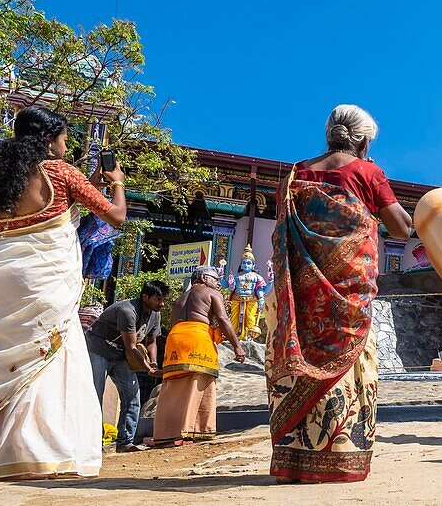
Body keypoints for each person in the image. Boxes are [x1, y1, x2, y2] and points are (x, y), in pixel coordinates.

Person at [0, 106, 128, 479]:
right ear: (50, 139)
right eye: (65, 137)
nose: (68, 143)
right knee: (45, 361)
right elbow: (115, 216)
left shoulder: (1, 178)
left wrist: (89, 180)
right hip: (42, 281)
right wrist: (116, 183)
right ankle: (37, 454)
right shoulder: (61, 172)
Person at [267, 104, 413, 483]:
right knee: (349, 368)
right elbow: (400, 229)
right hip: (349, 296)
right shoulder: (367, 172)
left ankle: (294, 459)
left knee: (303, 362)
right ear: (363, 141)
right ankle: (342, 454)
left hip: (301, 298)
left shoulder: (295, 174)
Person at [152, 266, 244, 447]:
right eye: (215, 278)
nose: (218, 283)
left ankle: (165, 433)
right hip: (197, 337)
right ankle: (191, 431)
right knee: (198, 382)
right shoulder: (211, 293)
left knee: (174, 386)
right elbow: (223, 319)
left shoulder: (179, 298)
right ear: (203, 278)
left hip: (174, 339)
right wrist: (237, 346)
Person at [86, 279, 169, 452]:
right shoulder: (127, 311)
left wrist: (153, 363)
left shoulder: (155, 314)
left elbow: (151, 341)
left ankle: (125, 442)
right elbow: (132, 347)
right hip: (99, 349)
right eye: (158, 299)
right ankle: (91, 442)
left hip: (120, 354)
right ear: (145, 297)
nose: (162, 303)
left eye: (163, 299)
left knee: (132, 396)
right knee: (95, 395)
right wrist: (148, 369)